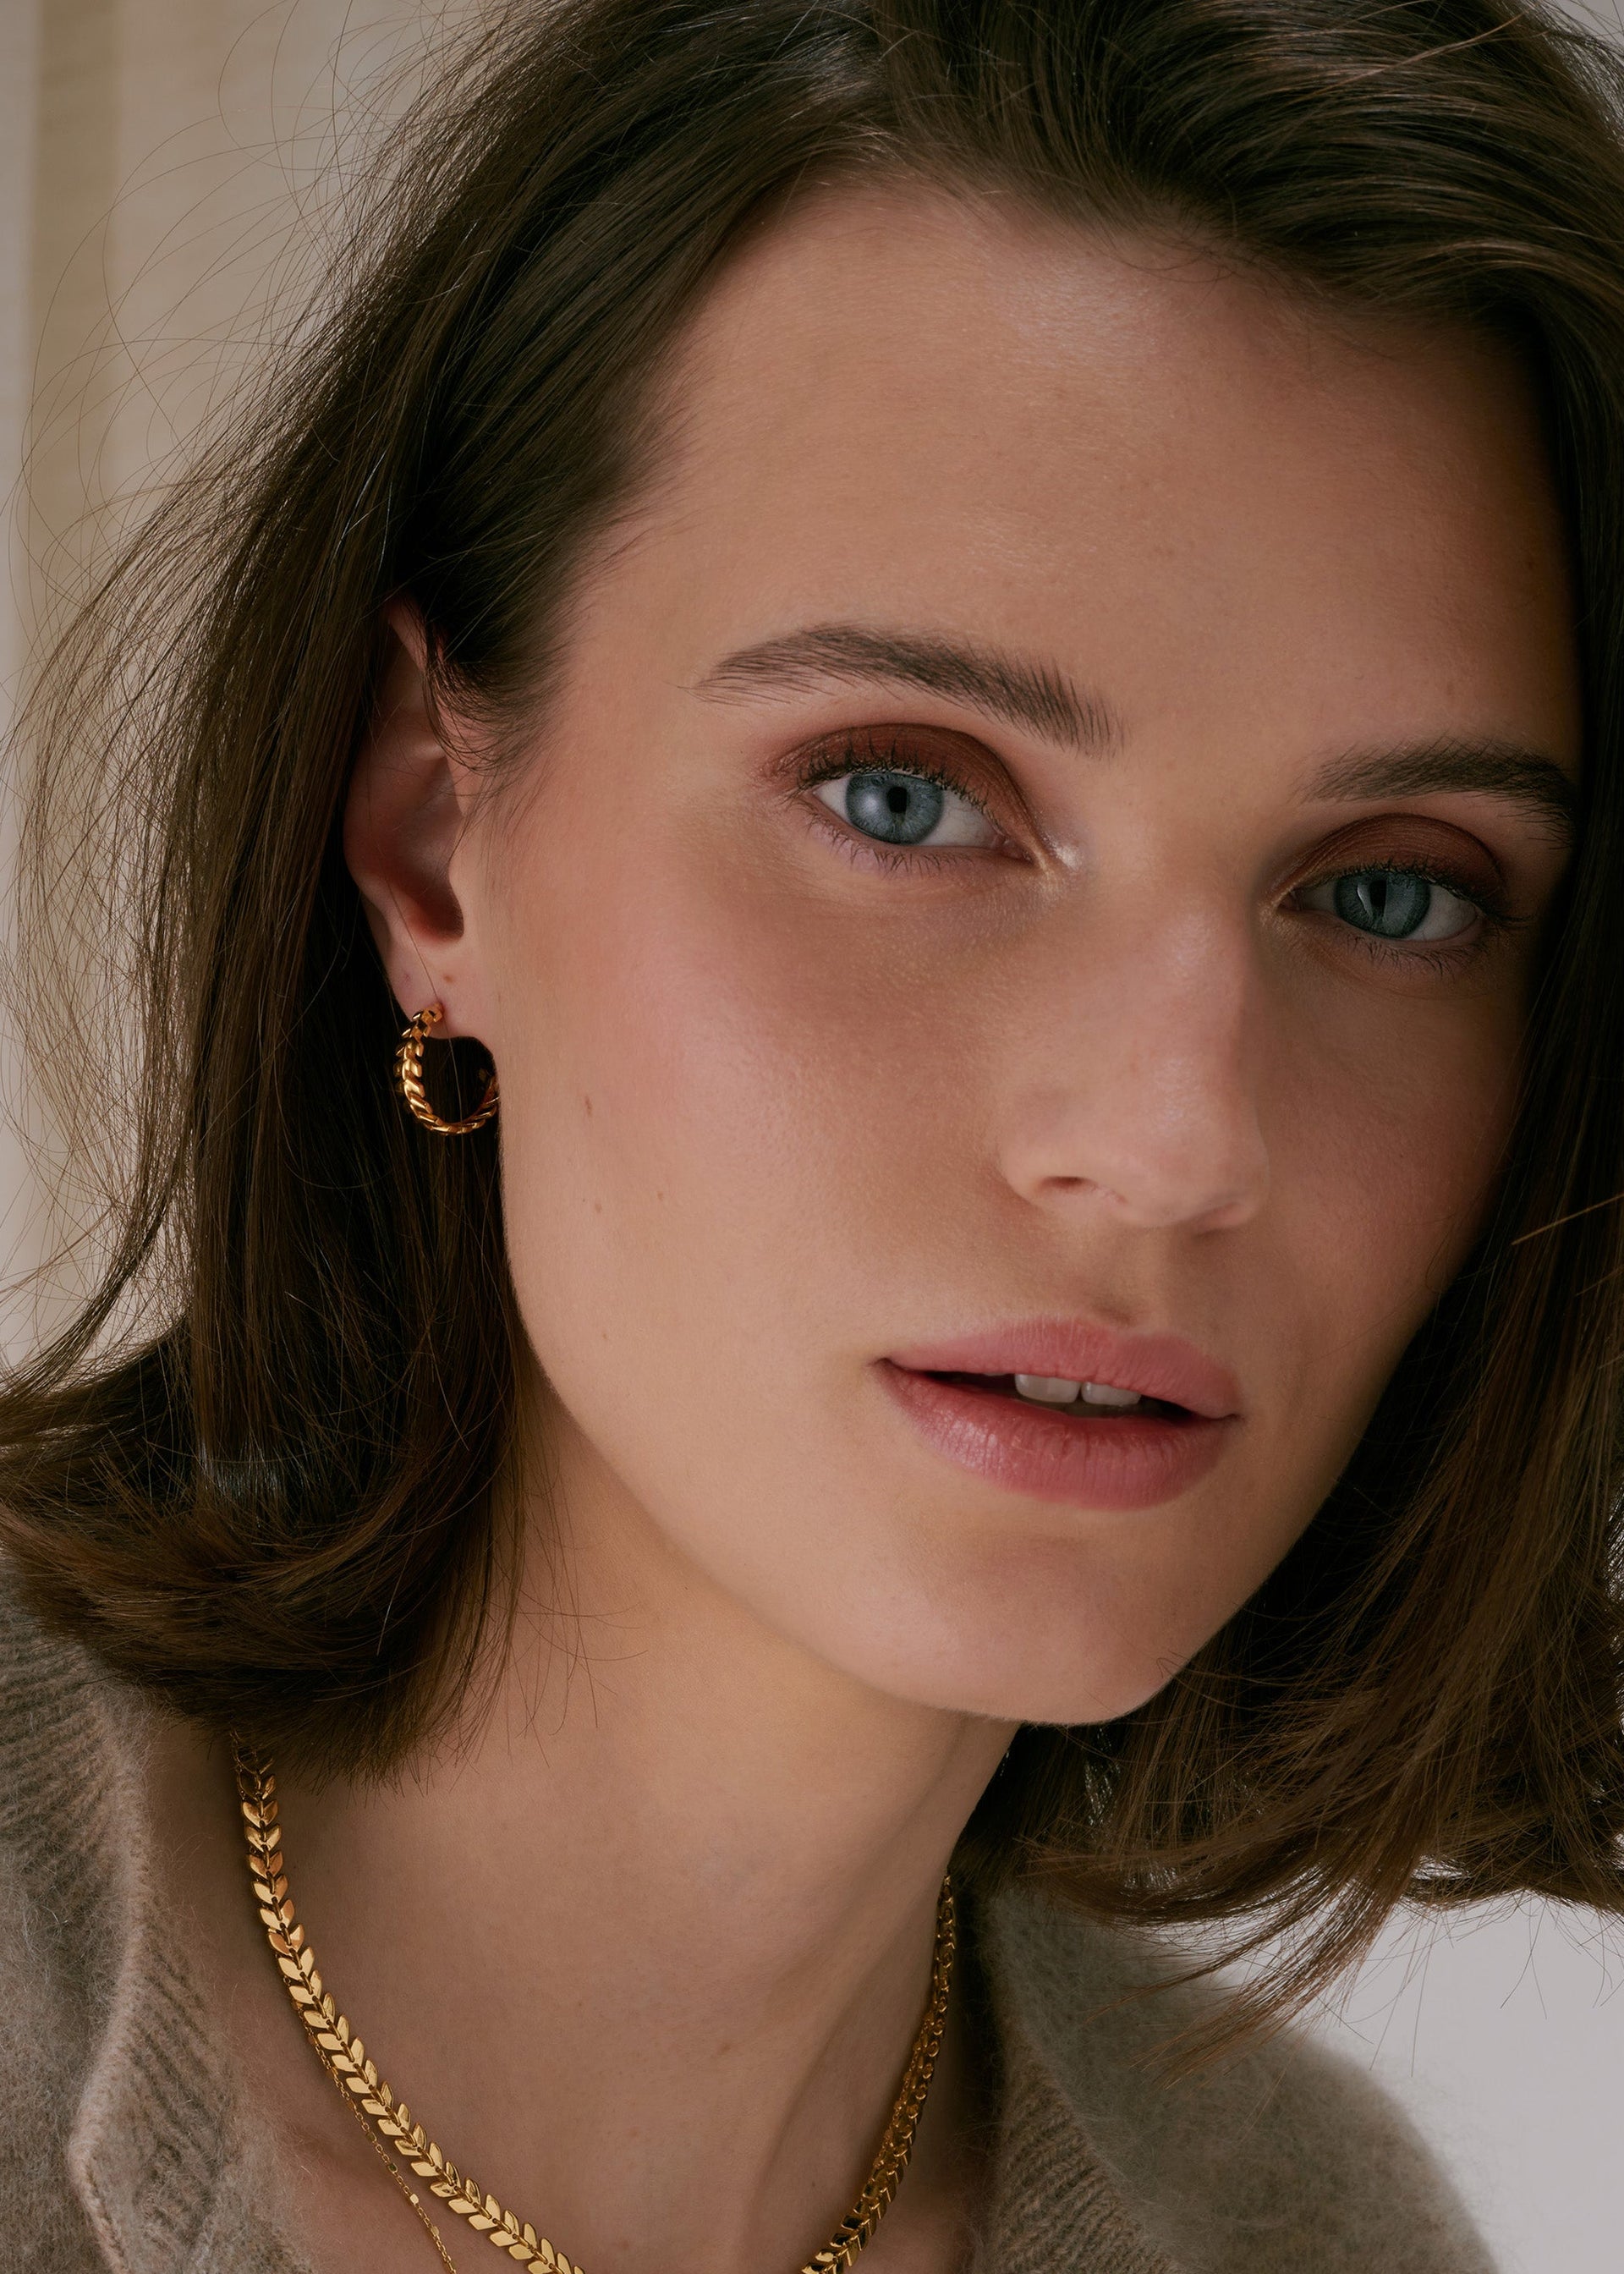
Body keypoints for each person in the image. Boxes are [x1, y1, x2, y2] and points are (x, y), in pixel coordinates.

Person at [3, 0, 1623, 2266]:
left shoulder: (1315, 2234)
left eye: (1387, 891)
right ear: (431, 836)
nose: (1170, 1141)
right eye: (905, 797)